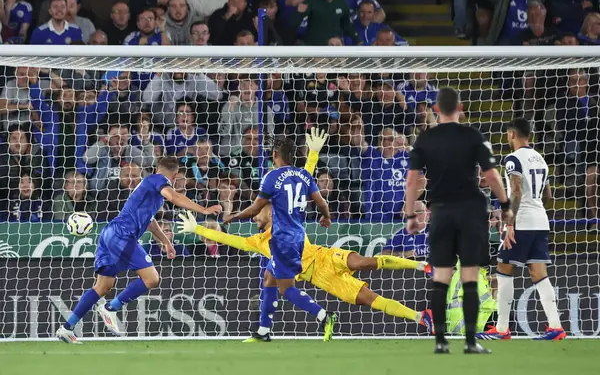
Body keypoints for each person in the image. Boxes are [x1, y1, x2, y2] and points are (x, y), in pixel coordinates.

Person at [177, 203, 434, 335]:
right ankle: (420, 317)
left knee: (367, 262)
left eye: (257, 214)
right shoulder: (257, 242)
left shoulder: (288, 219)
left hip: (328, 257)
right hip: (321, 279)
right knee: (372, 300)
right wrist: (197, 229)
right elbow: (229, 240)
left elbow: (303, 182)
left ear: (270, 212)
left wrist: (312, 153)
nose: (254, 218)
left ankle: (422, 265)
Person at [56, 156, 222, 344]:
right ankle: (110, 308)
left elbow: (150, 221)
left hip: (110, 234)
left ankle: (66, 328)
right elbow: (174, 197)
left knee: (103, 286)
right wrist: (204, 210)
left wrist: (166, 241)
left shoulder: (148, 188)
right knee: (152, 279)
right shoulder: (158, 180)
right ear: (174, 175)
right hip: (123, 235)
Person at [405, 87, 513, 354]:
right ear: (460, 108)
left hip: (441, 211)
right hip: (470, 212)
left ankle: (441, 341)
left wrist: (410, 214)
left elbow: (412, 180)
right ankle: (470, 342)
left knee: (441, 278)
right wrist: (505, 204)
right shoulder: (472, 136)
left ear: (436, 109)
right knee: (470, 277)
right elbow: (491, 175)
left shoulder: (425, 139)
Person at [222, 131, 337, 342]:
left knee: (287, 288)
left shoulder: (271, 177)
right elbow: (322, 203)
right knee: (269, 279)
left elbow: (255, 208)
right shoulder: (304, 176)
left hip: (282, 239)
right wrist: (326, 218)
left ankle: (324, 316)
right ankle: (263, 331)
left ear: (276, 154)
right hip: (298, 237)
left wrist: (233, 217)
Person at [476, 118, 565, 341]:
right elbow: (548, 195)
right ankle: (556, 327)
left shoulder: (512, 159)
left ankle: (502, 328)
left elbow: (515, 191)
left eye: (508, 134)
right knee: (539, 274)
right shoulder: (541, 159)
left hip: (522, 221)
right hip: (540, 220)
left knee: (504, 269)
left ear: (512, 134)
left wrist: (509, 223)